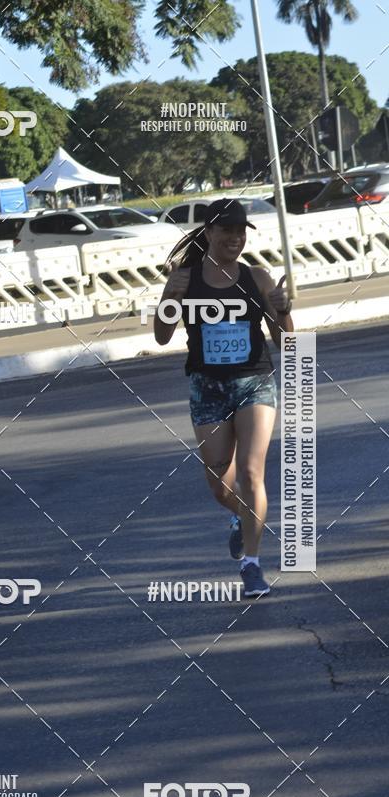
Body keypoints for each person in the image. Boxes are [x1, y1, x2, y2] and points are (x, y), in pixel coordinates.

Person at [153, 198, 294, 596]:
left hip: (254, 383)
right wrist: (168, 299)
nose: (235, 238)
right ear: (209, 232)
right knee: (220, 486)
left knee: (251, 472)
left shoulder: (258, 278)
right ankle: (242, 517)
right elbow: (161, 336)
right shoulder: (185, 279)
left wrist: (282, 311)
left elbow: (286, 342)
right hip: (208, 388)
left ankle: (252, 565)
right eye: (227, 230)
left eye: (240, 231)